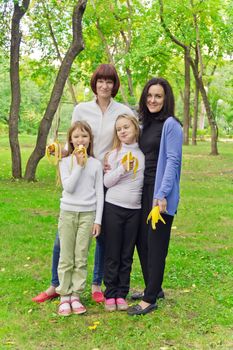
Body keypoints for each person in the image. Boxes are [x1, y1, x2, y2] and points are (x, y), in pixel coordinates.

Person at [32, 64, 134, 304]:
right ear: (95, 83)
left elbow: (127, 137)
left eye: (109, 81)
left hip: (107, 177)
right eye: (100, 81)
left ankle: (97, 283)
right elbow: (73, 139)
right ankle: (56, 285)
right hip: (80, 173)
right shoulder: (81, 108)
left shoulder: (123, 110)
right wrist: (60, 151)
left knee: (100, 233)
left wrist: (114, 160)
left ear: (114, 85)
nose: (104, 86)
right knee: (63, 237)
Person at [127, 77, 183, 316]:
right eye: (149, 95)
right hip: (142, 188)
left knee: (157, 244)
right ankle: (154, 287)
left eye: (158, 96)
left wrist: (162, 194)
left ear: (166, 98)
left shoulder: (172, 125)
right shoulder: (145, 123)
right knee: (143, 240)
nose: (153, 100)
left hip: (159, 194)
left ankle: (150, 299)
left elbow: (173, 161)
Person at [56, 121, 104, 316]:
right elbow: (69, 187)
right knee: (66, 257)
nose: (80, 140)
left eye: (84, 136)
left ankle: (76, 294)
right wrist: (79, 165)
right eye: (76, 136)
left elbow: (100, 193)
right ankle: (64, 296)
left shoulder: (96, 164)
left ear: (90, 139)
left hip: (87, 214)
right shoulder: (64, 162)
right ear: (71, 139)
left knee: (81, 256)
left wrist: (97, 220)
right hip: (67, 213)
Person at [103, 115, 145, 312]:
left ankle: (122, 293)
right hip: (114, 206)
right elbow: (107, 182)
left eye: (126, 127)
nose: (122, 131)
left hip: (134, 210)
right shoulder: (115, 154)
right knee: (113, 252)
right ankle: (110, 293)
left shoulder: (143, 154)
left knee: (127, 254)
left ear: (135, 128)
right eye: (119, 129)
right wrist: (121, 169)